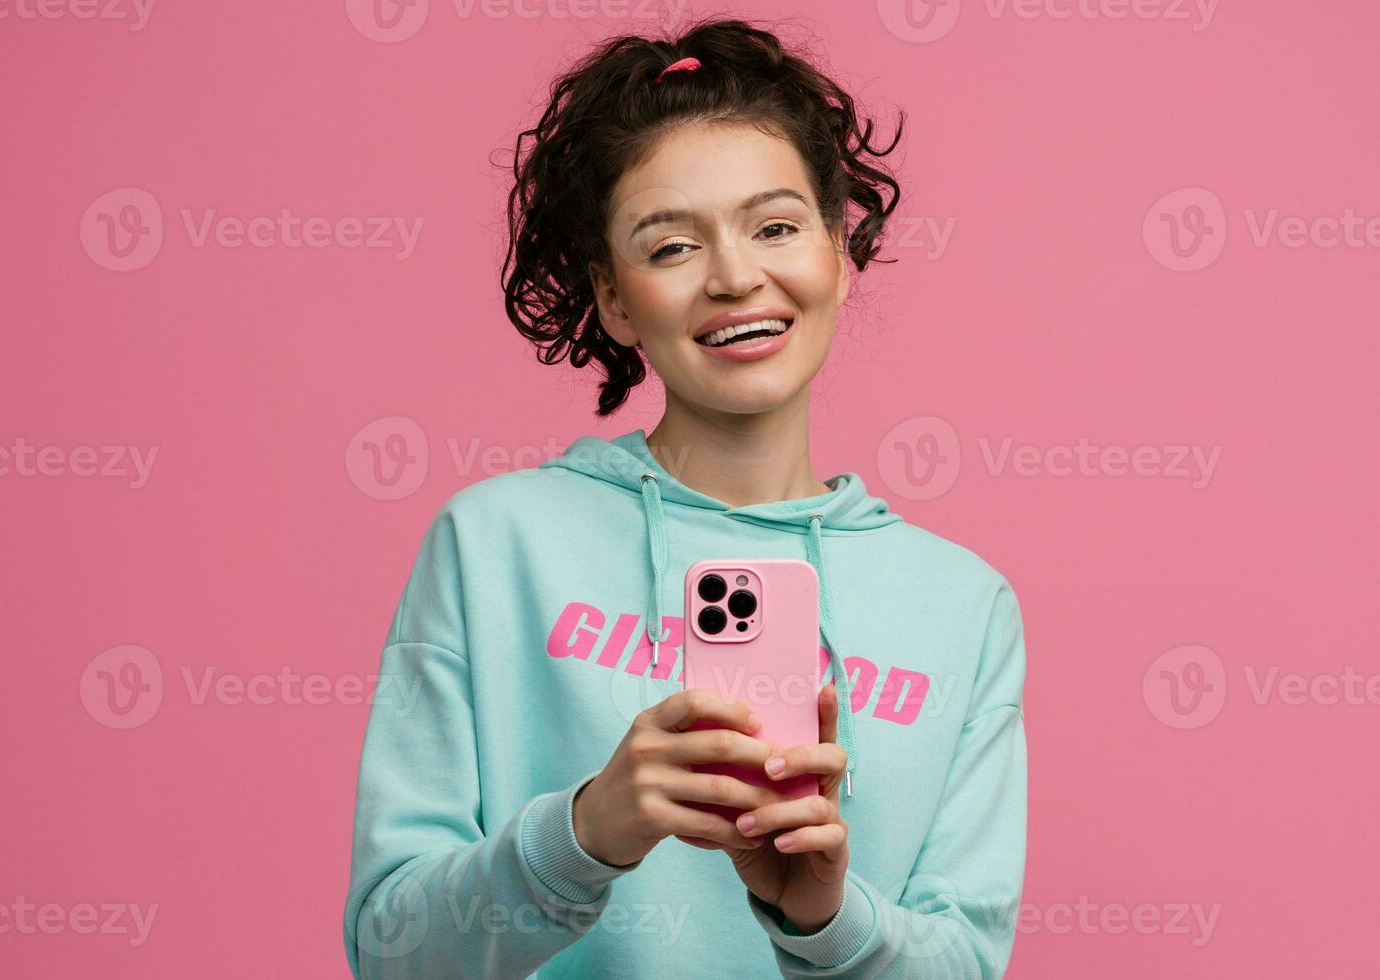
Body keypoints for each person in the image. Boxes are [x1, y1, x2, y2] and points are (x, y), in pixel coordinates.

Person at [343, 17, 1027, 979]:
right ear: (613, 299)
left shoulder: (963, 604)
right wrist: (584, 835)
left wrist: (827, 922)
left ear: (838, 249)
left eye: (777, 226)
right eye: (670, 247)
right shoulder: (495, 544)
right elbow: (390, 953)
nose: (737, 275)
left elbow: (964, 964)